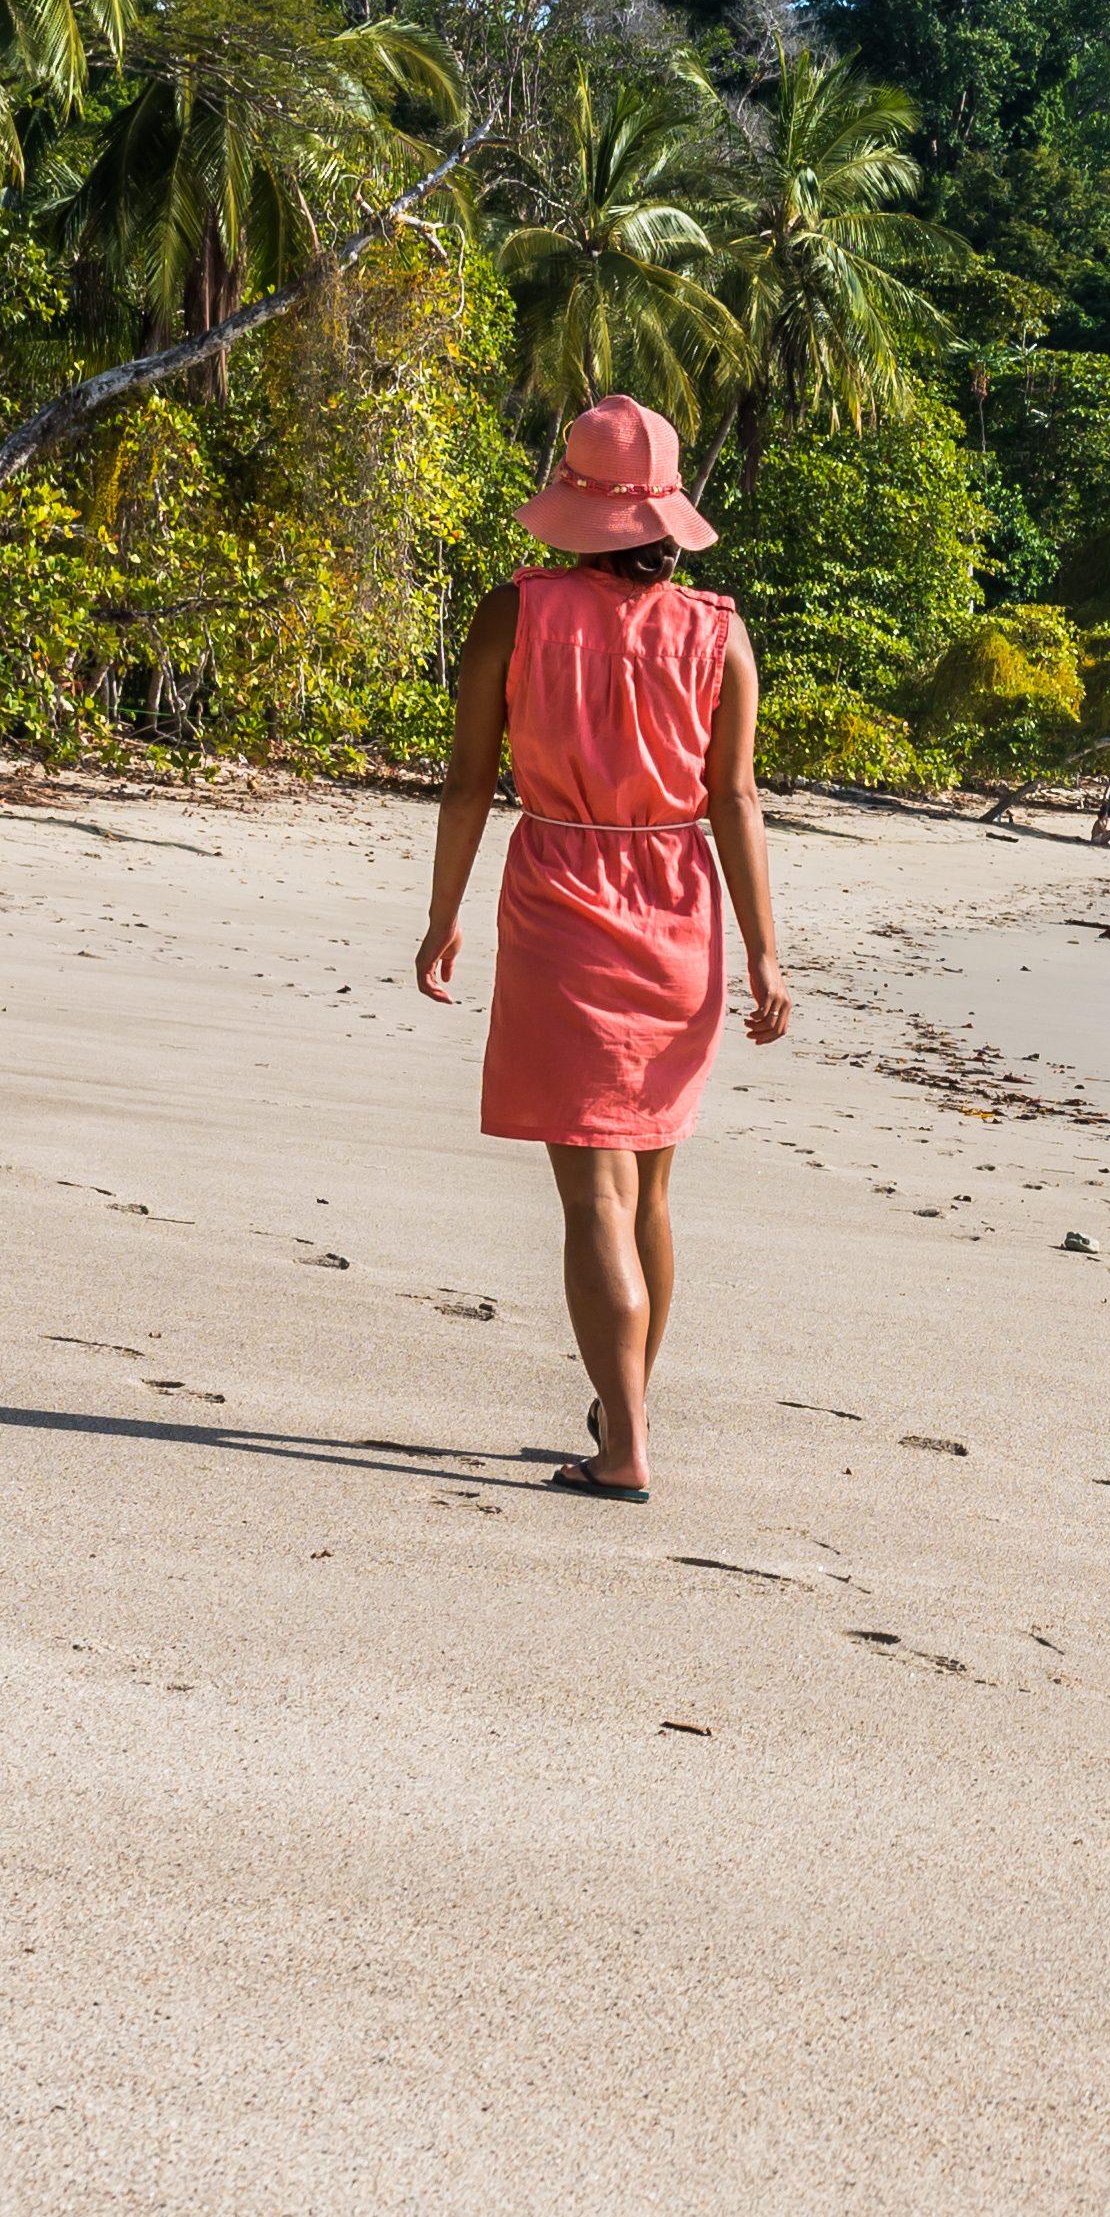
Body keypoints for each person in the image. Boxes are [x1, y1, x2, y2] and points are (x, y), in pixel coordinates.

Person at [415, 397, 792, 1500]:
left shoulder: (515, 611)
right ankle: (624, 1401)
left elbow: (467, 782)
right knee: (650, 1191)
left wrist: (442, 913)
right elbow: (735, 800)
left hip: (560, 894)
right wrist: (765, 954)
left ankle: (623, 1444)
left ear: (576, 508)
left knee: (593, 1197)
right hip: (680, 906)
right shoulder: (718, 630)